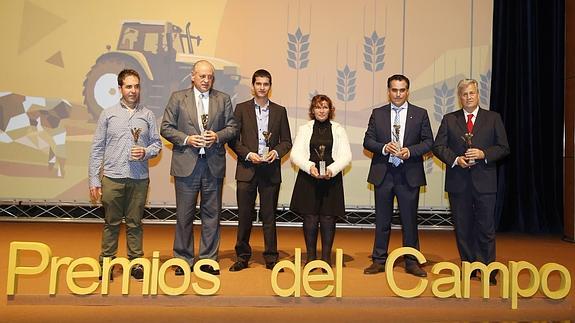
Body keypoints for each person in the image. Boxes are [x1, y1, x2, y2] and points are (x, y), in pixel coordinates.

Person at [160, 60, 238, 276]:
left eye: (210, 77)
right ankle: (183, 259)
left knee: (211, 215)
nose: (206, 80)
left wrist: (217, 136)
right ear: (192, 76)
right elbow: (165, 128)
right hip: (186, 165)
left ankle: (207, 260)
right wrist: (186, 139)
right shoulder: (177, 98)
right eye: (202, 76)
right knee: (184, 215)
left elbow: (232, 127)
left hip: (213, 165)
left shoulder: (223, 99)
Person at [433, 78, 510, 285]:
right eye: (464, 94)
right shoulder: (449, 119)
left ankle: (487, 269)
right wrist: (456, 160)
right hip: (459, 182)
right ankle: (468, 266)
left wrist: (483, 153)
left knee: (486, 227)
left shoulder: (493, 118)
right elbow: (438, 146)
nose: (468, 97)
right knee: (463, 227)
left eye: (472, 93)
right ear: (460, 98)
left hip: (485, 183)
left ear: (478, 94)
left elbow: (504, 147)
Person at [88, 69, 162, 280]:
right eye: (129, 86)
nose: (133, 91)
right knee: (111, 224)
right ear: (120, 88)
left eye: (136, 86)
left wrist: (146, 152)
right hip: (112, 178)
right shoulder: (108, 114)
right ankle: (106, 264)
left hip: (139, 180)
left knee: (135, 224)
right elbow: (97, 148)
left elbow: (157, 144)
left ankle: (136, 263)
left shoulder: (147, 115)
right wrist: (94, 178)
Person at [363, 74, 433, 277]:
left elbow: (429, 142)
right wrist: (384, 147)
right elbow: (368, 140)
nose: (398, 94)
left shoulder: (420, 114)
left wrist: (410, 151)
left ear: (407, 91)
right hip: (383, 173)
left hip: (408, 173)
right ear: (388, 91)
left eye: (402, 90)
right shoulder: (378, 113)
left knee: (409, 220)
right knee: (382, 220)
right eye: (394, 90)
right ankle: (379, 259)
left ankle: (411, 261)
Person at [228, 69, 292, 272]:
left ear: (270, 87)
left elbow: (287, 141)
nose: (262, 88)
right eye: (259, 84)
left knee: (269, 216)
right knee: (244, 216)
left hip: (270, 170)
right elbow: (233, 140)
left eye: (266, 84)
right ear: (253, 86)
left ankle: (271, 258)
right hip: (247, 169)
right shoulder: (240, 109)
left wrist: (276, 152)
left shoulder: (280, 111)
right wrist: (248, 154)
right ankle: (242, 256)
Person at [290, 95, 352, 267]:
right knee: (309, 217)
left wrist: (332, 170)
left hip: (331, 178)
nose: (321, 110)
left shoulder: (339, 129)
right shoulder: (305, 128)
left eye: (325, 107)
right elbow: (295, 154)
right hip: (309, 177)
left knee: (328, 218)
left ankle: (326, 259)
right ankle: (310, 258)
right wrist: (309, 167)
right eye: (318, 107)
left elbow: (346, 156)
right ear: (312, 110)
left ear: (330, 110)